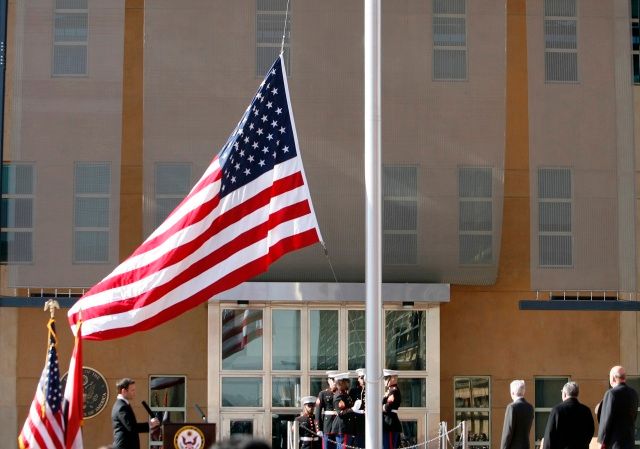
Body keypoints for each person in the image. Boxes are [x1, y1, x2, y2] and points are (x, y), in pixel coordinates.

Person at [542, 381, 594, 449]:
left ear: (564, 394)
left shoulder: (557, 410)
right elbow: (591, 431)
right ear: (577, 394)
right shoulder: (586, 410)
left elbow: (549, 436)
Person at [111, 378, 160, 449]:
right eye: (132, 390)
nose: (134, 392)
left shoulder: (122, 404)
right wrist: (150, 424)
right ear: (124, 391)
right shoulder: (121, 407)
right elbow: (131, 427)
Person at [598, 365, 639, 449]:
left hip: (615, 444)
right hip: (630, 442)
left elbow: (606, 421)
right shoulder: (633, 393)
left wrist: (602, 442)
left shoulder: (611, 394)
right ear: (625, 378)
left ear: (613, 378)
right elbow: (634, 417)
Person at [500, 379, 534, 449]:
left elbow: (507, 433)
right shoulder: (530, 407)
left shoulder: (512, 407)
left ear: (512, 392)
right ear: (523, 392)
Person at [315, 370, 338, 449]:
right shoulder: (323, 394)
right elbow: (318, 412)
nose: (335, 382)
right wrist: (318, 428)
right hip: (327, 425)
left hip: (338, 425)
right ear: (329, 380)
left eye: (336, 379)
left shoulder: (341, 393)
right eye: (332, 379)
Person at [332, 372, 354, 449]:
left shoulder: (345, 394)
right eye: (347, 382)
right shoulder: (339, 396)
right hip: (342, 427)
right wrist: (352, 409)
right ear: (341, 383)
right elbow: (340, 413)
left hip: (347, 427)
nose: (348, 384)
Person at [382, 369, 402, 449]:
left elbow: (387, 407)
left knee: (389, 446)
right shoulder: (390, 391)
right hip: (388, 422)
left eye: (386, 379)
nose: (384, 381)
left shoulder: (394, 391)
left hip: (390, 423)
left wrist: (378, 407)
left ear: (392, 379)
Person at [349, 368, 366, 449]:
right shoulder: (354, 391)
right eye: (359, 377)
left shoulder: (372, 390)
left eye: (361, 377)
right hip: (356, 422)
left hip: (367, 421)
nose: (359, 379)